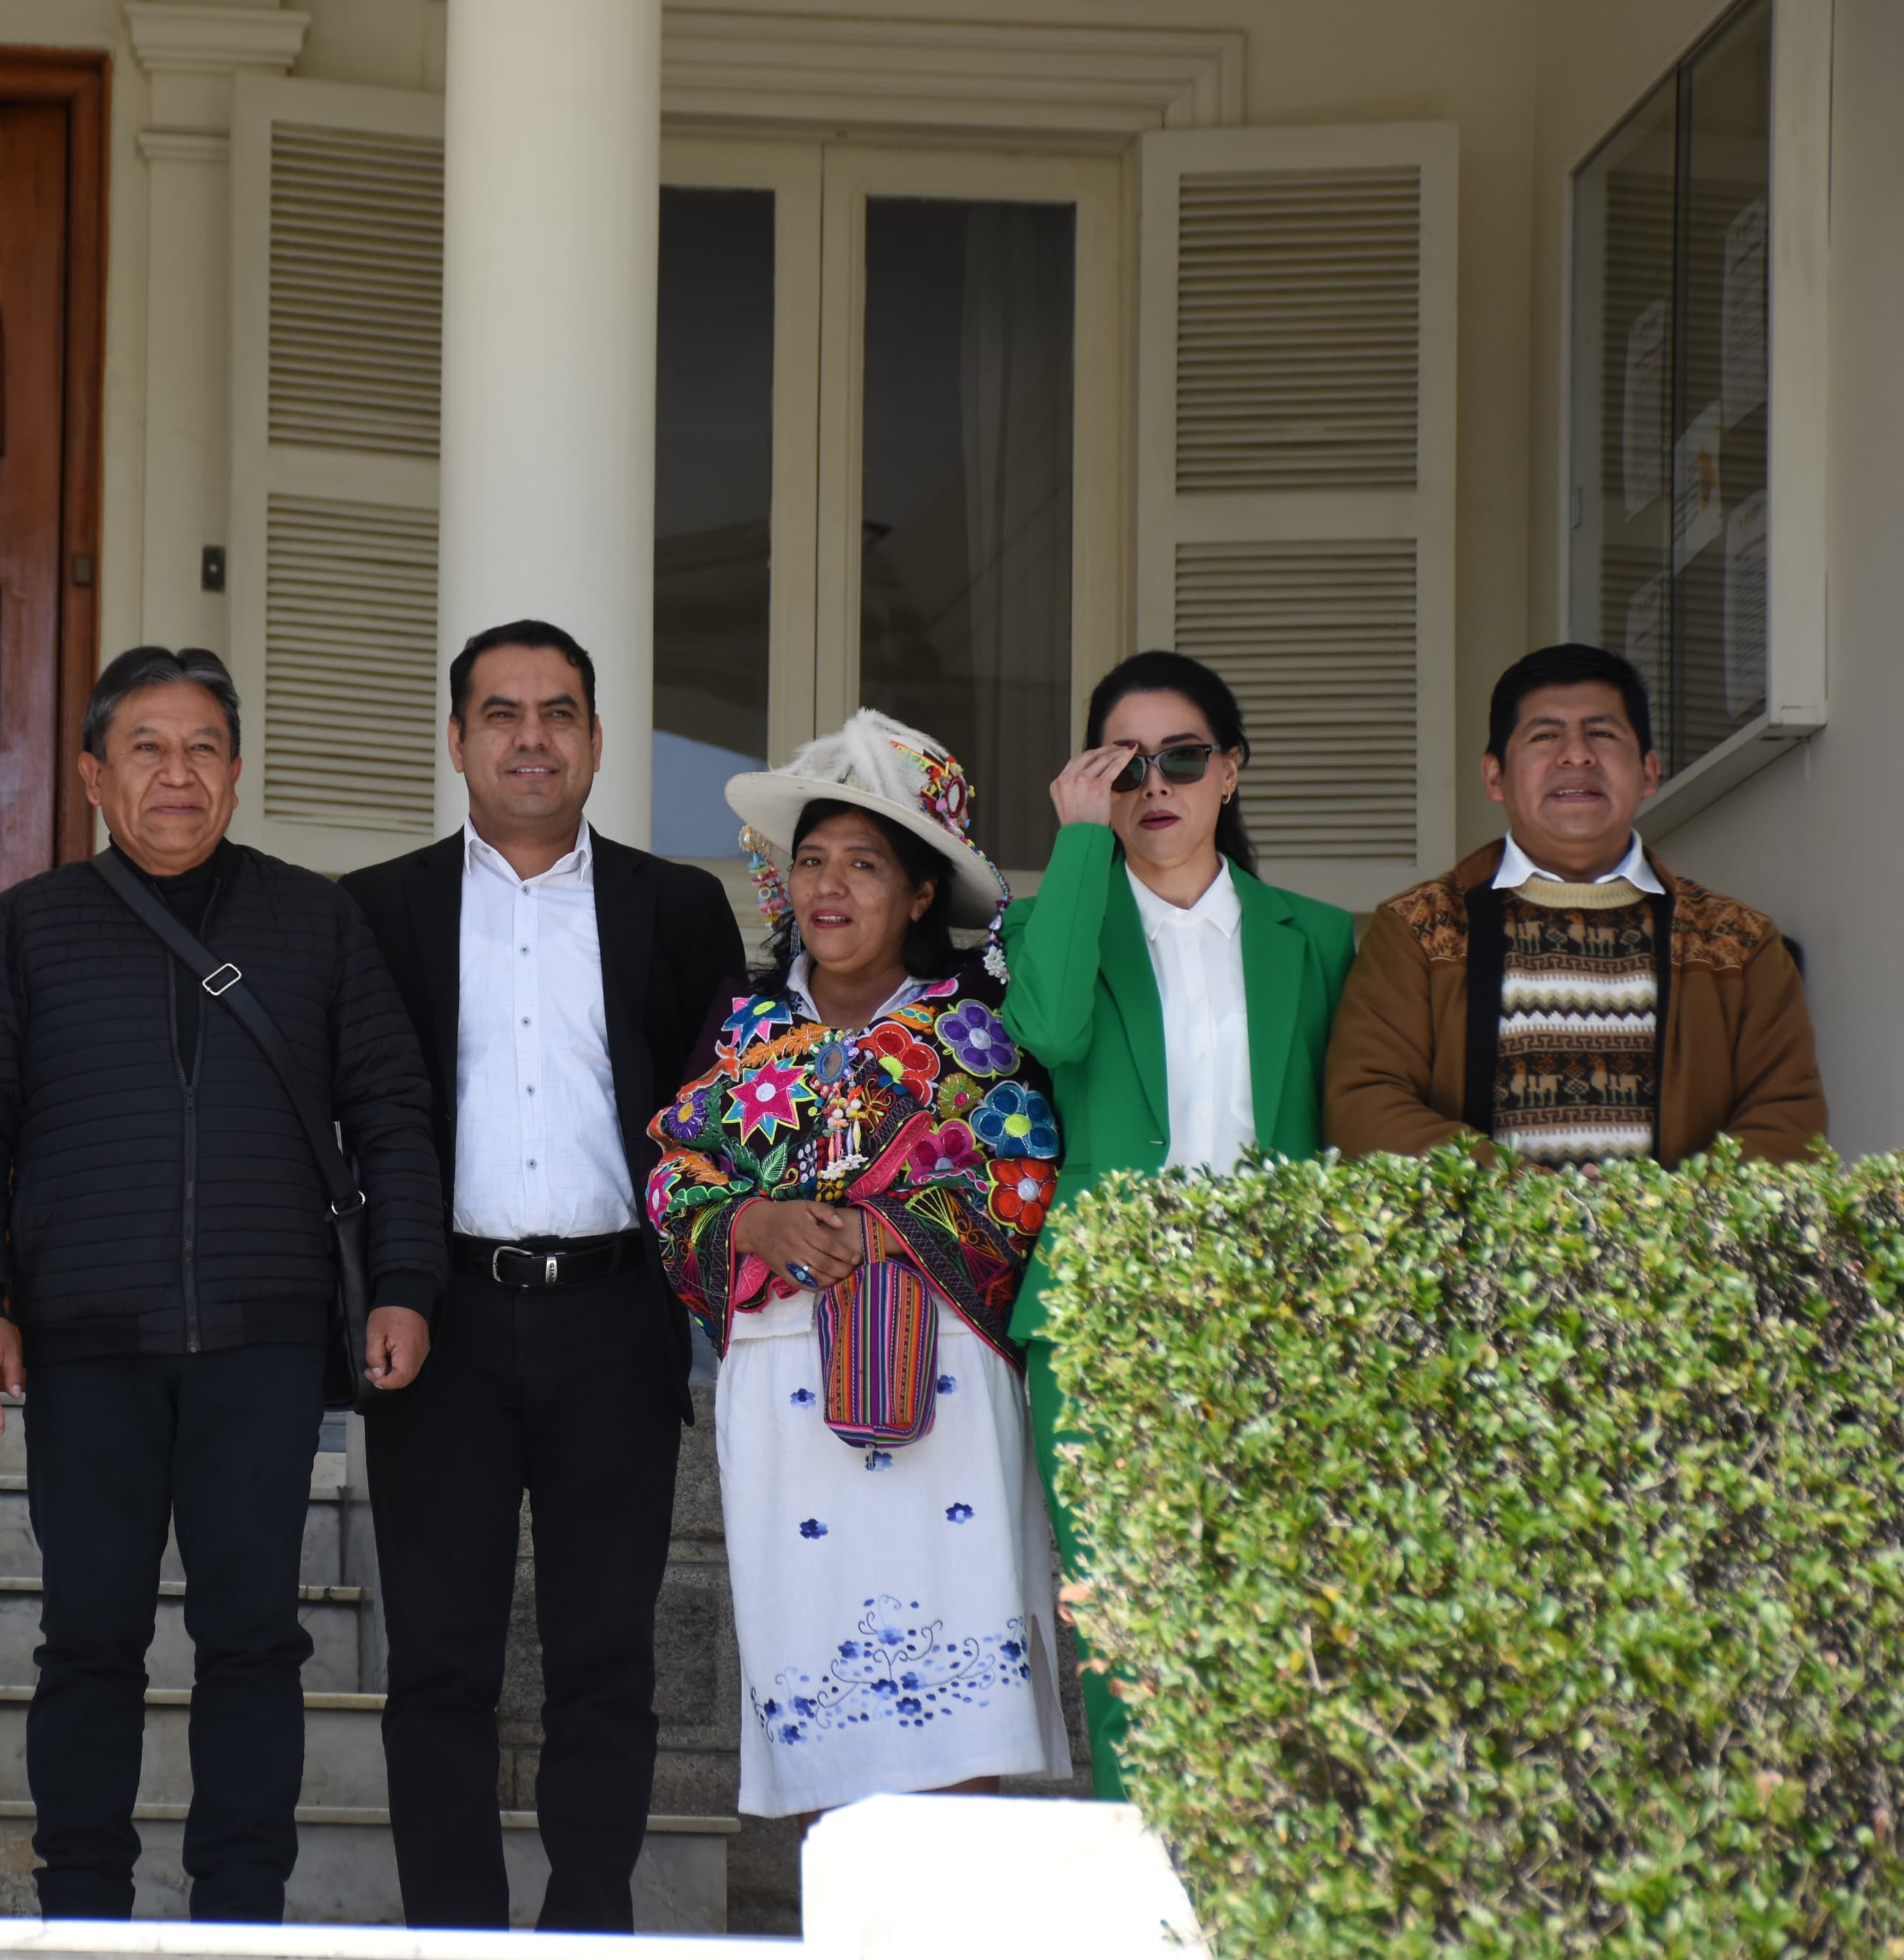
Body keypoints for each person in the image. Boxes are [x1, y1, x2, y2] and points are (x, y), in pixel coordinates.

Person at [0, 646, 444, 1923]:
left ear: (238, 772)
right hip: (86, 1339)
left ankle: (241, 1913)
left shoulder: (316, 921)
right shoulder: (26, 931)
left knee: (254, 1637)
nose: (178, 773)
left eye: (204, 747)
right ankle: (82, 1909)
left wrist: (405, 1281)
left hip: (265, 1337)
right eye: (147, 748)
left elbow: (392, 1109)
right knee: (89, 1636)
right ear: (93, 775)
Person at [337, 619, 745, 1932]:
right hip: (437, 1317)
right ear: (457, 741)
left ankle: (589, 1942)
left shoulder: (676, 909)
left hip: (615, 1317)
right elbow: (350, 1119)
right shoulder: (375, 909)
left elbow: (719, 1118)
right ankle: (452, 1950)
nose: (531, 737)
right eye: (502, 713)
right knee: (438, 1663)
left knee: (606, 1658)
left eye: (558, 712)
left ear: (598, 740)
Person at [645, 711, 1071, 1817]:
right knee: (815, 1662)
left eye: (864, 864)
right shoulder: (740, 1029)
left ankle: (951, 1922)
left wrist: (885, 1231)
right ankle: (848, 1914)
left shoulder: (981, 1027)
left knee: (957, 1675)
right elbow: (671, 1176)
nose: (829, 887)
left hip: (947, 1384)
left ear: (922, 893)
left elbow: (1026, 1178)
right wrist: (754, 1224)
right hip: (784, 1384)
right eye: (813, 861)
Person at [997, 651, 1356, 1798]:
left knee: (1279, 1619)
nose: (1155, 784)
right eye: (1125, 763)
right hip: (1104, 1318)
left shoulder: (1323, 938)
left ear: (1230, 771)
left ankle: (1263, 1870)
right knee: (1126, 1627)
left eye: (1183, 758)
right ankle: (1141, 1870)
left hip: (1275, 1315)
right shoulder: (1057, 923)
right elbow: (1049, 1034)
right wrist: (1078, 844)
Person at [1325, 643, 1825, 1165]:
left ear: (1649, 772)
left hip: (1678, 1222)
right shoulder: (1418, 930)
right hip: (1483, 1221)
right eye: (1545, 736)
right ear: (1494, 776)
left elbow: (1787, 1117)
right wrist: (1524, 1194)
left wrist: (1657, 1205)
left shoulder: (1739, 943)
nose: (1577, 755)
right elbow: (1366, 1103)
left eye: (1602, 733)